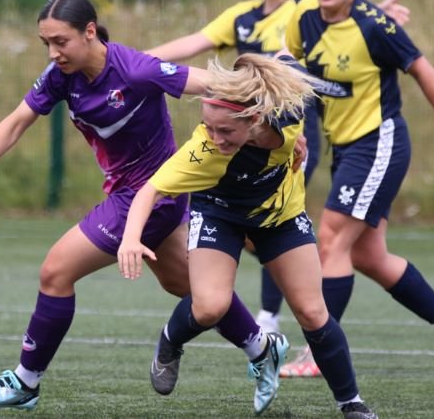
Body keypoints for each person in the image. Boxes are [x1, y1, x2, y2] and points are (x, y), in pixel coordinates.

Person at [0, 0, 283, 411]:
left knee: (56, 271)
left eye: (60, 41)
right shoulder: (60, 76)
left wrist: (280, 121)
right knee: (188, 287)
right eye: (45, 42)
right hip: (139, 195)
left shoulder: (136, 70)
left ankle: (26, 381)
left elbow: (215, 85)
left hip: (148, 196)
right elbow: (16, 123)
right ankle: (261, 346)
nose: (53, 52)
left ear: (89, 32)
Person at [147, 0, 410, 335]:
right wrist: (133, 60)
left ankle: (269, 317)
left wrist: (376, 14)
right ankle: (267, 300)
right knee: (254, 225)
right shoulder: (242, 16)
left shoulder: (305, 11)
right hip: (239, 136)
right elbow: (194, 42)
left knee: (276, 215)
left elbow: (350, 21)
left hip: (288, 137)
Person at [117, 53, 377, 419]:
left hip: (280, 216)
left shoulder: (286, 115)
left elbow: (286, 63)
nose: (214, 137)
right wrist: (131, 238)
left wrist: (297, 143)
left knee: (313, 312)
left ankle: (351, 404)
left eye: (225, 131)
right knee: (210, 306)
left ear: (255, 119)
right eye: (208, 126)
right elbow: (150, 191)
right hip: (219, 214)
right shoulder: (203, 152)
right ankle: (170, 342)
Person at [280, 0, 434, 379]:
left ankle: (319, 353)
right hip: (345, 147)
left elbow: (423, 69)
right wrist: (292, 130)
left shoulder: (375, 26)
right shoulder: (303, 17)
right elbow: (290, 66)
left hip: (379, 143)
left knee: (331, 240)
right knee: (368, 255)